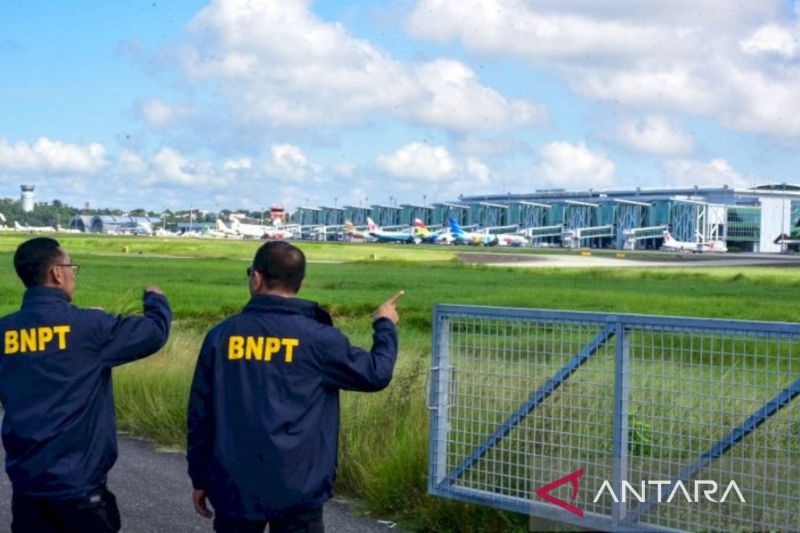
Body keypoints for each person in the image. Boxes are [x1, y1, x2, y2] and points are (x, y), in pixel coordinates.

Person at [187, 240, 402, 533]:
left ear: (256, 278)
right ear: (301, 283)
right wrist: (385, 325)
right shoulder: (320, 339)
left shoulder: (221, 336)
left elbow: (200, 415)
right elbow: (376, 374)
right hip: (299, 486)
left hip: (232, 483)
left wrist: (199, 477)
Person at [0, 237, 172, 532]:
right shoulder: (89, 327)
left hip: (27, 485)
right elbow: (153, 332)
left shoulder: (5, 332)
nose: (72, 275)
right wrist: (156, 299)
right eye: (71, 268)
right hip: (80, 487)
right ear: (56, 272)